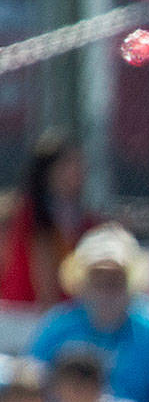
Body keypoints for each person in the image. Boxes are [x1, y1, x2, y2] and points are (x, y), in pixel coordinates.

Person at [29, 225, 149, 402]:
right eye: (97, 280)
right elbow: (32, 389)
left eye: (114, 280)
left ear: (131, 281)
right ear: (82, 281)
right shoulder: (57, 329)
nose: (105, 290)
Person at [1, 131, 96, 308]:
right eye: (69, 163)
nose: (79, 170)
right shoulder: (27, 213)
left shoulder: (83, 218)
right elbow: (44, 283)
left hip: (62, 313)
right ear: (49, 170)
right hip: (23, 313)